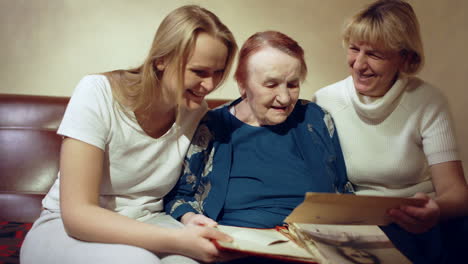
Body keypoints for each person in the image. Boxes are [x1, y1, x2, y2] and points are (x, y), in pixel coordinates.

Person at [20, 5, 238, 264]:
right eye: (199, 72)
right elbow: (78, 215)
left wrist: (191, 221)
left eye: (218, 73)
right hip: (67, 227)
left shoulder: (195, 110)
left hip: (151, 222)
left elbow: (183, 192)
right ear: (161, 60)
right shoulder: (97, 92)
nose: (210, 85)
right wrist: (177, 240)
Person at [165, 30, 352, 263]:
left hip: (313, 249)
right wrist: (190, 218)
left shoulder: (314, 119)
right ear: (243, 84)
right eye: (271, 85)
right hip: (238, 250)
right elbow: (179, 196)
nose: (284, 98)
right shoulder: (213, 125)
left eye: (292, 85)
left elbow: (343, 191)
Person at [313, 0, 468, 263]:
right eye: (354, 49)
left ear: (405, 57)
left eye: (374, 54)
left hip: (416, 223)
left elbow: (457, 193)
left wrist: (435, 210)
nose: (358, 64)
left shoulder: (428, 101)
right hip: (354, 225)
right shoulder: (324, 100)